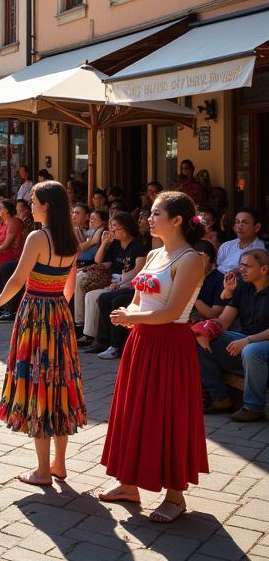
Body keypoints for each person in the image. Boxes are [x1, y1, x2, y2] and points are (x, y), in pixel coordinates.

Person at [99, 191, 208, 523]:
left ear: (177, 220)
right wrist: (128, 312)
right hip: (142, 341)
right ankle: (129, 484)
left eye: (156, 213)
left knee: (169, 414)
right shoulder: (154, 252)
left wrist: (132, 319)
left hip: (170, 345)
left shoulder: (191, 259)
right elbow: (139, 298)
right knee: (134, 410)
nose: (149, 217)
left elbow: (175, 311)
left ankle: (175, 497)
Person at [0, 180, 86, 486]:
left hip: (36, 312)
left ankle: (42, 470)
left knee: (39, 383)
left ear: (48, 207)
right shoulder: (71, 238)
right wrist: (57, 311)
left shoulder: (38, 237)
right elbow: (69, 286)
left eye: (34, 201)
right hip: (59, 315)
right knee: (60, 385)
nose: (30, 206)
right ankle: (59, 464)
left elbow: (17, 279)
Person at [197, 247, 269, 422]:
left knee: (251, 351)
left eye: (247, 266)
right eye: (241, 265)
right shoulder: (243, 287)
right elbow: (224, 321)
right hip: (245, 339)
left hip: (259, 343)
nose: (241, 269)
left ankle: (253, 407)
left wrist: (248, 341)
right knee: (200, 339)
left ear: (264, 269)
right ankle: (220, 397)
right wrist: (205, 330)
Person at [78, 212, 145, 350]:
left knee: (98, 296)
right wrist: (104, 244)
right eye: (111, 226)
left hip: (126, 284)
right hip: (112, 281)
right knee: (90, 292)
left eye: (115, 227)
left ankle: (97, 339)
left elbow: (138, 271)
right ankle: (89, 335)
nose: (112, 230)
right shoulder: (115, 244)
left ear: (126, 228)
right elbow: (100, 261)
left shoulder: (137, 246)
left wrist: (121, 283)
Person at [216, 209, 265, 274]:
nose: (240, 226)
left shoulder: (260, 249)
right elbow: (218, 265)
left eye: (245, 222)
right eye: (237, 222)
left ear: (257, 227)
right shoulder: (226, 246)